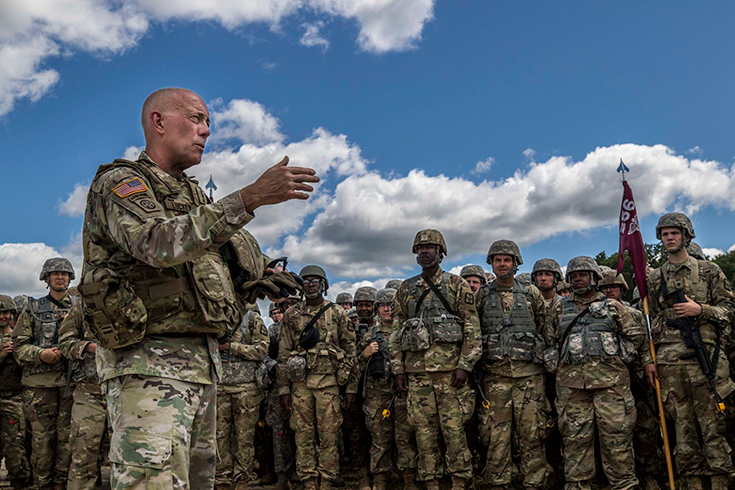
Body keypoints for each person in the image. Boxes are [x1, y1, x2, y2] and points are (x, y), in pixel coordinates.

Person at [77, 87, 318, 489]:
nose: (206, 130)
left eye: (208, 122)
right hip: (147, 363)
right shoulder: (121, 182)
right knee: (150, 482)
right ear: (158, 122)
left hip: (201, 364)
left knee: (199, 480)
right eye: (196, 118)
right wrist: (250, 197)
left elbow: (202, 274)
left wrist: (252, 282)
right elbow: (156, 242)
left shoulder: (190, 193)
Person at [646, 213, 735, 490]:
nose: (669, 238)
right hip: (669, 364)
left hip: (706, 360)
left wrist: (702, 310)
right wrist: (649, 359)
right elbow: (645, 321)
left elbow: (730, 311)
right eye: (664, 234)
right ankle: (691, 484)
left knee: (712, 426)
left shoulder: (709, 271)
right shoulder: (654, 278)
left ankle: (721, 482)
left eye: (674, 233)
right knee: (682, 429)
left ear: (687, 236)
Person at [389, 229, 481, 490]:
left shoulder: (456, 285)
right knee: (423, 431)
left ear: (441, 253)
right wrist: (398, 370)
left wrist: (464, 366)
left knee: (454, 430)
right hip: (417, 374)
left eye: (430, 247)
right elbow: (396, 332)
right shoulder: (406, 288)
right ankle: (431, 481)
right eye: (419, 248)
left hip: (450, 374)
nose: (424, 252)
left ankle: (459, 480)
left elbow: (472, 329)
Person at [547, 257, 648, 490]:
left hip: (611, 386)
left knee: (617, 439)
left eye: (582, 274)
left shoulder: (614, 306)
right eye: (573, 276)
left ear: (594, 277)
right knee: (575, 440)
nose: (577, 279)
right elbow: (551, 339)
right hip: (572, 388)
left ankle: (623, 485)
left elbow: (635, 337)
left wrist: (617, 359)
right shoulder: (559, 307)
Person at [476, 241, 550, 490]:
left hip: (530, 376)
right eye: (497, 260)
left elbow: (544, 326)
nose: (502, 264)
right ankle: (498, 482)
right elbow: (474, 330)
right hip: (495, 376)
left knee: (532, 433)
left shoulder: (531, 293)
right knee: (496, 435)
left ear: (516, 263)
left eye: (507, 260)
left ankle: (535, 482)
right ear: (492, 264)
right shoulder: (482, 295)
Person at [277, 265, 357, 490]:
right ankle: (308, 480)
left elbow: (351, 352)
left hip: (329, 383)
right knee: (302, 435)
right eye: (306, 281)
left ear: (323, 284)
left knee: (329, 435)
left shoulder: (338, 313)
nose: (310, 284)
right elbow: (283, 355)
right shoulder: (291, 315)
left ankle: (327, 480)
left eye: (315, 280)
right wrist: (284, 390)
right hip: (300, 385)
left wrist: (350, 388)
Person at [597, 271, 664, 490]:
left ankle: (649, 474)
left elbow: (645, 344)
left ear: (622, 289)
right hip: (609, 381)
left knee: (645, 431)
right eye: (605, 288)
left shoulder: (636, 314)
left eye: (613, 287)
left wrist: (647, 364)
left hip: (637, 380)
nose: (609, 291)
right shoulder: (594, 313)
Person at [13, 258, 77, 490]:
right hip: (40, 387)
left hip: (72, 386)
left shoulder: (81, 307)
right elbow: (19, 348)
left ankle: (62, 484)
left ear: (70, 277)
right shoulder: (33, 309)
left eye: (64, 273)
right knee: (42, 441)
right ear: (46, 278)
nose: (60, 277)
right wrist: (41, 354)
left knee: (68, 440)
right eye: (55, 273)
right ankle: (42, 484)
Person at [358, 288, 418, 490]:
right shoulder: (370, 335)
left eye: (390, 305)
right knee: (380, 439)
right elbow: (354, 367)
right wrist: (365, 354)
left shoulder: (407, 332)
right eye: (382, 305)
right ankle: (380, 479)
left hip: (402, 392)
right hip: (377, 394)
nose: (386, 309)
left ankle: (409, 478)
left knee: (405, 438)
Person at [215, 305, 270, 490]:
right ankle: (221, 478)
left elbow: (262, 350)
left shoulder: (251, 318)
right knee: (219, 436)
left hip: (246, 388)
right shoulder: (215, 315)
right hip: (219, 386)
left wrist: (231, 347)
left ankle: (242, 479)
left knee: (244, 437)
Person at [58, 302, 108, 490]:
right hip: (90, 392)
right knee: (83, 452)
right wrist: (88, 347)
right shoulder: (81, 309)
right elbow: (64, 343)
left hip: (128, 390)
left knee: (131, 454)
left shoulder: (134, 301)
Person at [0, 295, 32, 490]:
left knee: (15, 446)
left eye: (5, 313)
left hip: (14, 399)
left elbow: (27, 367)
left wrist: (17, 354)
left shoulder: (18, 338)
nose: (2, 317)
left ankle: (20, 482)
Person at [347, 286, 376, 490]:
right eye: (360, 305)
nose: (364, 309)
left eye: (368, 304)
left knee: (378, 434)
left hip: (378, 389)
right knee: (356, 435)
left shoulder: (383, 327)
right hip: (354, 389)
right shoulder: (348, 329)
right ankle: (362, 476)